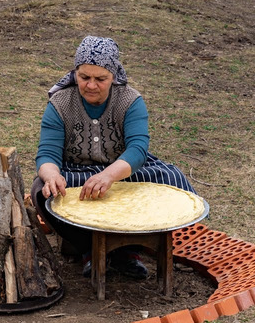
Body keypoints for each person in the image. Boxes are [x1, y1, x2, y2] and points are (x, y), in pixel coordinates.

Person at [31, 36, 196, 279]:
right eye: (84, 77)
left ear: (114, 76)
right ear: (75, 72)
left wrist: (108, 175)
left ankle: (129, 250)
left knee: (170, 178)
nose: (91, 85)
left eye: (101, 79)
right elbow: (47, 153)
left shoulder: (130, 100)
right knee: (41, 190)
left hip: (123, 170)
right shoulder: (60, 103)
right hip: (76, 171)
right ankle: (87, 248)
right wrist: (52, 175)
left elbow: (138, 148)